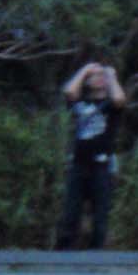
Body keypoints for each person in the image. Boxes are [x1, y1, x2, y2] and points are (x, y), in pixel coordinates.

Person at [56, 61, 127, 250]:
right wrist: (86, 69)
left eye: (100, 76)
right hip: (78, 165)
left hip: (102, 166)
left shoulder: (111, 106)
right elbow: (69, 92)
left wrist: (110, 75)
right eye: (94, 77)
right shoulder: (80, 103)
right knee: (70, 214)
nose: (98, 78)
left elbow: (120, 98)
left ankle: (96, 258)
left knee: (100, 216)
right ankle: (63, 257)